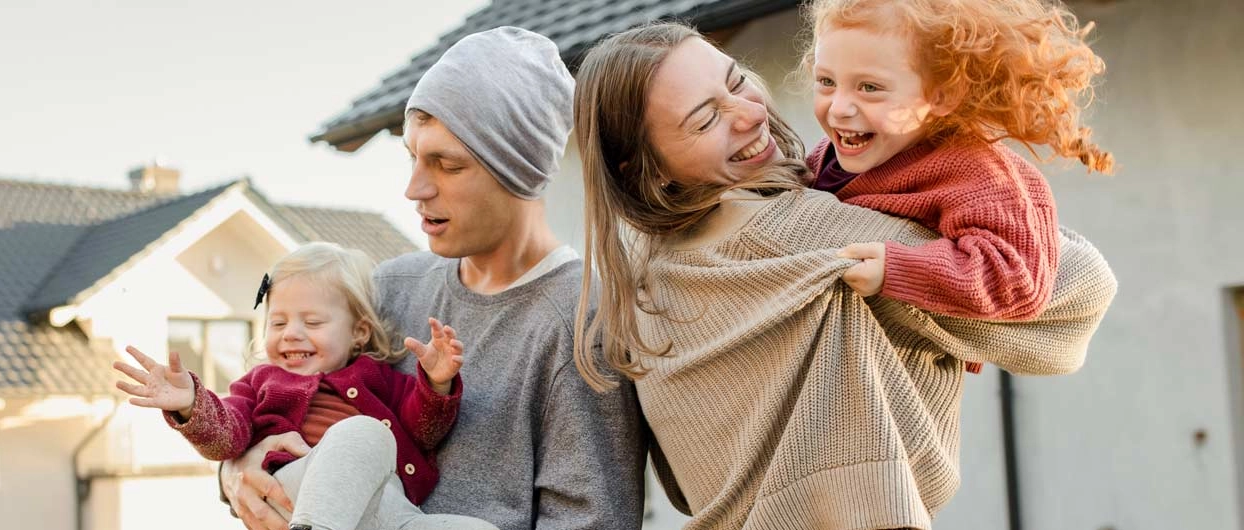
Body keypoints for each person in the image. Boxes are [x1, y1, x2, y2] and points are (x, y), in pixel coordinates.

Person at [571, 22, 1117, 529]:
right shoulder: (799, 230)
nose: (750, 115)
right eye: (707, 119)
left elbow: (685, 488)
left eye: (737, 82)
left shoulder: (637, 284)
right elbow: (1079, 292)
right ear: (646, 166)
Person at [223, 27, 647, 530]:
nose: (413, 188)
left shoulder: (581, 324)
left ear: (520, 171)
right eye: (412, 157)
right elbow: (280, 405)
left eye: (446, 164)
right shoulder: (390, 288)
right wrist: (235, 471)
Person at [804, 0, 1112, 375]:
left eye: (869, 88)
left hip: (910, 371)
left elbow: (1018, 279)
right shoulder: (833, 153)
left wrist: (898, 269)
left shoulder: (976, 172)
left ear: (942, 95)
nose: (838, 108)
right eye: (826, 82)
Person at [114, 242, 495, 530]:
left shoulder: (376, 377)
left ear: (358, 332)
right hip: (297, 491)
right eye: (278, 324)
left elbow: (423, 430)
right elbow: (226, 436)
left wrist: (437, 383)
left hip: (384, 504)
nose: (292, 334)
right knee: (365, 433)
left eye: (312, 323)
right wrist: (191, 404)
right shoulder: (261, 383)